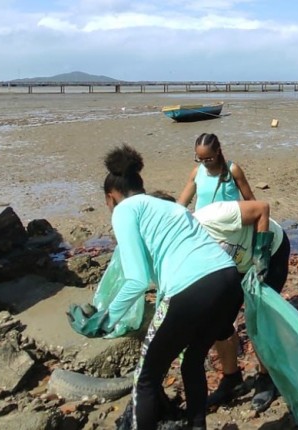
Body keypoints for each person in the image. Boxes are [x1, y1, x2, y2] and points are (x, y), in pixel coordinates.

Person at [76, 145, 244, 430]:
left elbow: (137, 279)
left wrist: (106, 320)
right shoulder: (170, 206)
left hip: (192, 287)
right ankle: (197, 426)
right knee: (192, 361)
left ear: (111, 196)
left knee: (146, 378)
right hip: (227, 280)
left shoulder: (125, 210)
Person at [150, 191, 290, 413]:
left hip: (270, 253)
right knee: (219, 322)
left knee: (259, 319)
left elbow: (262, 207)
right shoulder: (174, 246)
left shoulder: (212, 217)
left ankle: (266, 378)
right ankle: (232, 377)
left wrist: (261, 254)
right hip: (233, 267)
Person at [177, 133, 255, 210]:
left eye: (209, 159)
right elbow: (182, 203)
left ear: (217, 151)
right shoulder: (197, 172)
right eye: (200, 159)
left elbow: (250, 200)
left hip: (228, 221)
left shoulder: (233, 170)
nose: (204, 163)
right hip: (202, 220)